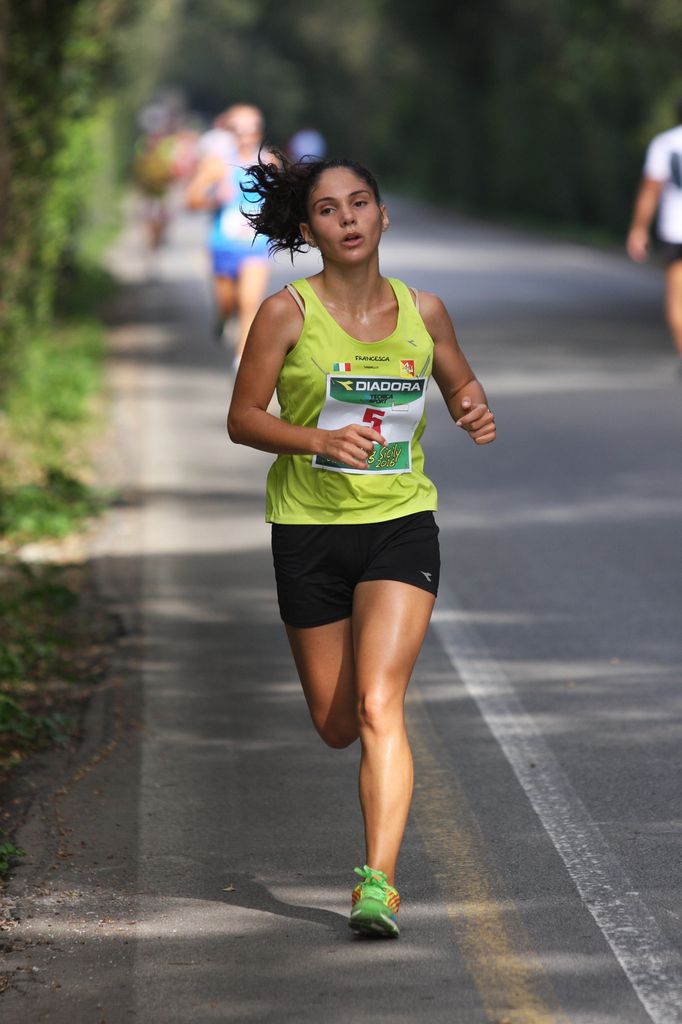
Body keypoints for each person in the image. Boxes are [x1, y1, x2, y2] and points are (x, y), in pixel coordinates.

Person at [227, 155, 496, 938]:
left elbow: (460, 385)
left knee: (381, 705)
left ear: (383, 217)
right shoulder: (285, 314)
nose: (347, 219)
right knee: (337, 722)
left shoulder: (427, 311)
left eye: (360, 203)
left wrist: (474, 410)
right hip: (309, 532)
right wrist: (317, 437)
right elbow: (244, 417)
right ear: (305, 228)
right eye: (327, 209)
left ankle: (376, 885)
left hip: (401, 525)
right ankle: (374, 863)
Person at [186, 104, 272, 371]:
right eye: (239, 130)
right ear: (229, 132)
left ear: (260, 131)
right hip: (223, 245)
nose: (246, 135)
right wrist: (214, 198)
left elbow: (284, 200)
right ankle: (223, 319)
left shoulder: (270, 162)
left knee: (249, 303)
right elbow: (191, 199)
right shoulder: (217, 164)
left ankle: (240, 361)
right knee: (227, 303)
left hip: (256, 245)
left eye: (252, 129)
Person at [627, 100, 682, 371]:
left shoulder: (666, 143)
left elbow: (651, 190)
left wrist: (639, 229)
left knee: (678, 297)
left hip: (676, 230)